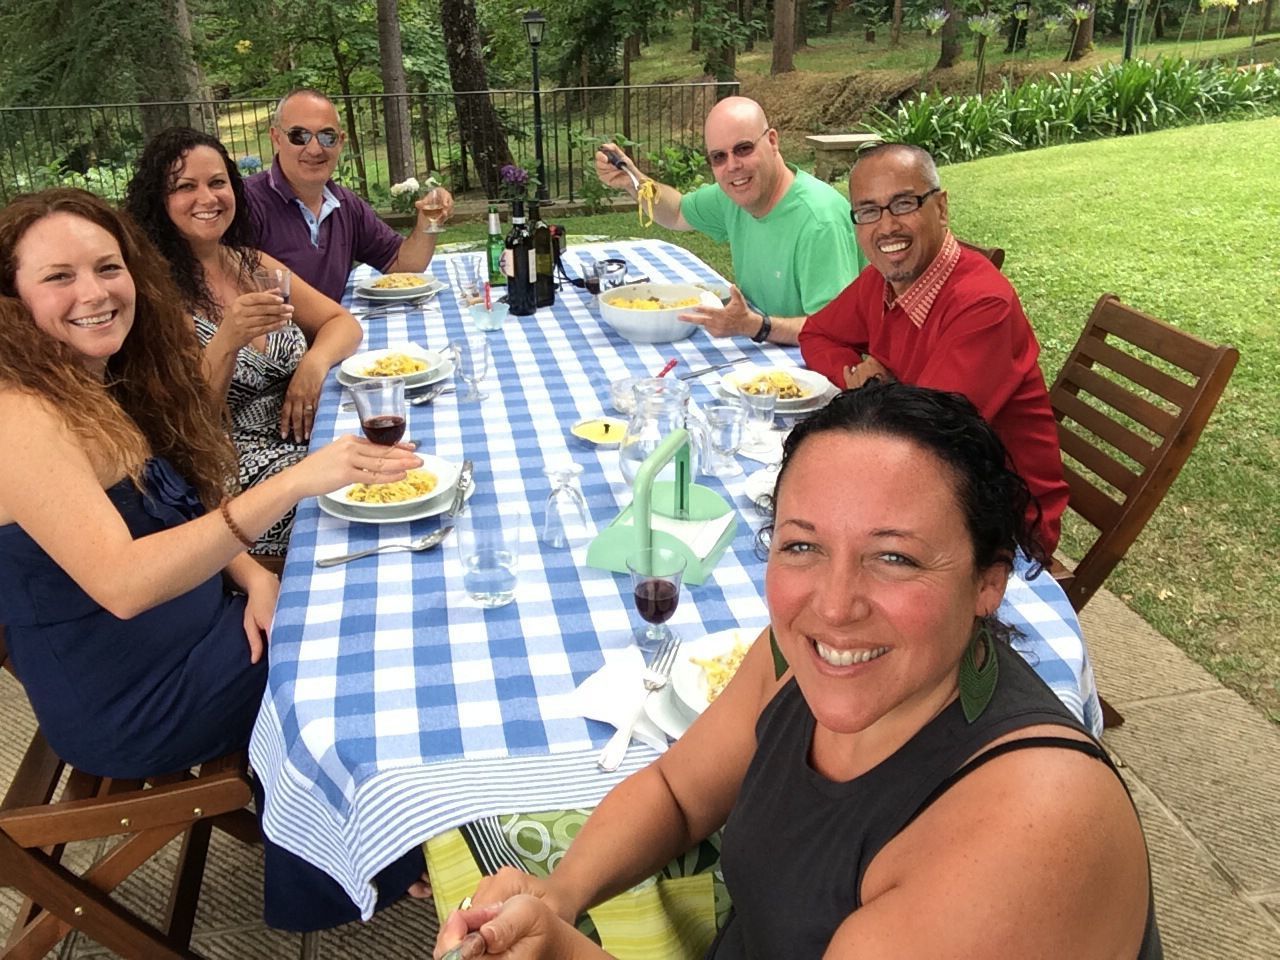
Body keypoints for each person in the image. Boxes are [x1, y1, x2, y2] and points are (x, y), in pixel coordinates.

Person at [435, 381, 1161, 959]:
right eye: (803, 547)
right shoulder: (793, 656)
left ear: (988, 582)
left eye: (895, 557)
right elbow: (677, 793)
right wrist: (561, 895)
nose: (834, 608)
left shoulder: (1029, 834)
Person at [0, 187, 426, 930]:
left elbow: (174, 502)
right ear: (11, 299)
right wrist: (294, 481)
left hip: (197, 632)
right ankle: (366, 859)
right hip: (133, 696)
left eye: (107, 267)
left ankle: (377, 834)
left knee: (358, 590)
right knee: (348, 647)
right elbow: (124, 583)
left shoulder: (89, 377)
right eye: (58, 277)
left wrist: (253, 573)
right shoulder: (20, 416)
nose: (94, 293)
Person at [798, 142, 1069, 553]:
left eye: (903, 203)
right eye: (868, 211)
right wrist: (856, 378)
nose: (886, 227)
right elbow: (817, 334)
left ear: (941, 208)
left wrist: (874, 397)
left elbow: (925, 447)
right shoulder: (881, 281)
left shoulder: (984, 306)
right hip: (915, 483)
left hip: (995, 520)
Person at [125, 127, 364, 557]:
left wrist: (313, 365)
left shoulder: (251, 263)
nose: (207, 198)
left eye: (217, 182)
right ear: (158, 201)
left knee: (395, 451)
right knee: (359, 495)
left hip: (306, 440)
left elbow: (342, 322)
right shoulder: (153, 295)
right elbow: (187, 426)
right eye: (185, 187)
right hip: (229, 472)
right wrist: (227, 341)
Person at [594, 96, 859, 346]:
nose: (732, 166)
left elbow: (837, 331)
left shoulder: (819, 222)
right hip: (765, 350)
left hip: (815, 363)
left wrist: (756, 326)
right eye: (719, 157)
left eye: (743, 149)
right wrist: (632, 180)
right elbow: (676, 212)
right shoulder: (733, 196)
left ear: (772, 141)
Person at [244, 88, 454, 304]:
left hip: (334, 324)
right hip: (283, 326)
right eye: (299, 136)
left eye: (327, 137)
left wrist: (426, 222)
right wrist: (332, 320)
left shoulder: (345, 205)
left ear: (341, 141)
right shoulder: (246, 204)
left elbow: (403, 265)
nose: (315, 149)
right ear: (276, 138)